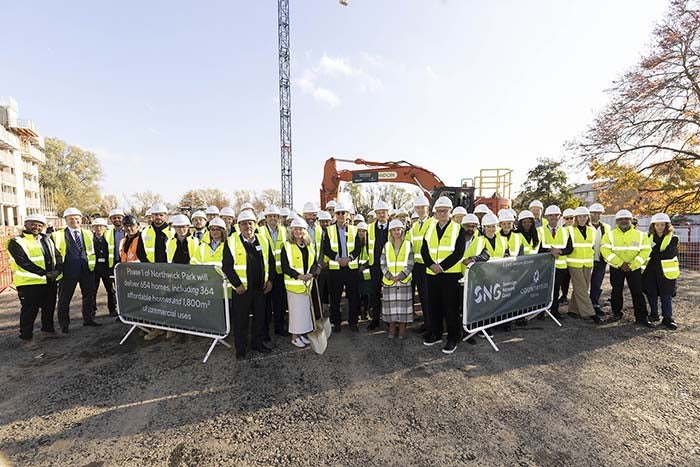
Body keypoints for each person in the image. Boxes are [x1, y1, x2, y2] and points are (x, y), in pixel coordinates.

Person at [222, 210, 274, 359]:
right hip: (242, 291)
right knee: (241, 320)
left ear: (255, 225)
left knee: (260, 319)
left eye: (250, 223)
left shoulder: (263, 240)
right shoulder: (231, 242)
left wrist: (270, 280)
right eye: (244, 224)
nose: (247, 227)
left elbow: (270, 261)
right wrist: (237, 284)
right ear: (239, 226)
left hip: (260, 289)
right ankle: (241, 349)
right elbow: (227, 266)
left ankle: (257, 344)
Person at [8, 214, 62, 349]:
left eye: (39, 225)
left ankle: (47, 330)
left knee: (48, 307)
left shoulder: (47, 239)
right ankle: (26, 338)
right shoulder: (16, 241)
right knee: (29, 311)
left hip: (49, 281)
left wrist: (58, 270)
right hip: (29, 283)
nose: (36, 227)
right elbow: (23, 261)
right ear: (26, 224)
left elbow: (57, 255)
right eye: (33, 224)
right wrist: (44, 273)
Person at [421, 196, 466, 354]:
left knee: (451, 307)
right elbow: (424, 250)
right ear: (435, 212)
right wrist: (431, 265)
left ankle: (453, 338)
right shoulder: (430, 228)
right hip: (432, 273)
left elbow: (459, 252)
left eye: (444, 211)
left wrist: (441, 266)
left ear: (450, 212)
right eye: (439, 211)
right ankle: (437, 334)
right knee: (434, 306)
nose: (441, 213)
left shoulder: (457, 228)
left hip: (450, 274)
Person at [600, 209, 652, 327]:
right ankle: (616, 313)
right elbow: (605, 250)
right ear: (617, 221)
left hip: (634, 268)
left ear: (631, 220)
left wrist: (632, 265)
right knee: (616, 291)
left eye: (626, 219)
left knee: (637, 292)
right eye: (621, 219)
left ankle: (641, 317)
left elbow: (646, 250)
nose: (624, 221)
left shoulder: (640, 235)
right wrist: (620, 263)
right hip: (617, 267)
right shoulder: (609, 235)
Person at [53, 208, 98, 333]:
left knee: (88, 296)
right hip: (68, 272)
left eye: (76, 218)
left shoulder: (88, 233)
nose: (74, 221)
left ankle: (88, 319)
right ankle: (64, 324)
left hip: (86, 270)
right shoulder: (58, 235)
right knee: (64, 299)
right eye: (71, 219)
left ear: (81, 219)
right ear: (66, 220)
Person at [322, 202, 364, 332]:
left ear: (348, 215)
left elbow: (358, 247)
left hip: (351, 268)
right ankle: (336, 322)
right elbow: (326, 249)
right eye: (338, 213)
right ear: (335, 215)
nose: (341, 215)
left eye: (343, 213)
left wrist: (349, 258)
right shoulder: (329, 230)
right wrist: (338, 259)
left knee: (353, 296)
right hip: (336, 269)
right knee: (335, 297)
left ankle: (353, 322)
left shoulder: (354, 229)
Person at [281, 217, 319, 348]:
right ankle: (294, 337)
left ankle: (301, 334)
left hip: (307, 285)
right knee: (296, 313)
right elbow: (285, 266)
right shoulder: (286, 246)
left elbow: (313, 263)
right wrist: (298, 276)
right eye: (295, 229)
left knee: (304, 312)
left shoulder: (309, 245)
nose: (298, 231)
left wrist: (311, 274)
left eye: (301, 229)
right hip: (294, 286)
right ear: (291, 231)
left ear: (305, 231)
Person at [139, 203, 174, 340]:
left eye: (161, 215)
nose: (158, 217)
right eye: (155, 215)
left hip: (169, 273)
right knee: (155, 301)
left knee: (171, 300)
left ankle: (171, 328)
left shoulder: (172, 231)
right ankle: (158, 328)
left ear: (166, 216)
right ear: (151, 216)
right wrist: (149, 269)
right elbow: (141, 252)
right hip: (152, 273)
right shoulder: (145, 232)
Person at [563, 207, 602, 324]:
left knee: (582, 288)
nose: (582, 219)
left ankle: (573, 310)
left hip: (588, 263)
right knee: (582, 289)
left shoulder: (592, 230)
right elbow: (567, 247)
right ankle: (590, 313)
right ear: (576, 218)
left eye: (584, 216)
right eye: (580, 216)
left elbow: (592, 247)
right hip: (574, 263)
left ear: (587, 217)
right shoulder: (569, 230)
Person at [642, 213, 679, 330]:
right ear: (653, 225)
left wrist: (653, 253)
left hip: (665, 272)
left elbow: (669, 254)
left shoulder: (673, 238)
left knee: (666, 294)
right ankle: (654, 314)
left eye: (663, 225)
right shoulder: (647, 237)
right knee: (651, 293)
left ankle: (668, 318)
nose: (660, 227)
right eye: (657, 225)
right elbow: (644, 252)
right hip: (650, 271)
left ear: (667, 225)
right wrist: (656, 253)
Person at [381, 219, 414, 339]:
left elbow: (410, 263)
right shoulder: (387, 245)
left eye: (398, 229)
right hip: (389, 282)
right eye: (394, 230)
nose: (396, 232)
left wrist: (401, 276)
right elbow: (382, 263)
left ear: (402, 231)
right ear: (390, 232)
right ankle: (391, 329)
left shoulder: (408, 244)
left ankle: (402, 331)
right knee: (391, 309)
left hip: (403, 281)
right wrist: (389, 275)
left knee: (403, 309)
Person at [407, 195, 433, 336]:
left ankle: (431, 327)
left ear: (427, 208)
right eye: (417, 207)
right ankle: (427, 323)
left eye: (422, 207)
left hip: (427, 266)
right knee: (422, 298)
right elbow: (408, 243)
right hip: (417, 266)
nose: (420, 210)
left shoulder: (432, 223)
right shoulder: (415, 226)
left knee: (428, 298)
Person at [537, 205, 568, 320]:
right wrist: (550, 250)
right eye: (551, 215)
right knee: (543, 290)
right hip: (545, 267)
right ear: (546, 217)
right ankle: (540, 312)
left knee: (555, 291)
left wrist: (559, 251)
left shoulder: (565, 231)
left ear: (560, 217)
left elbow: (570, 248)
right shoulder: (540, 231)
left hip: (560, 267)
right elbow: (538, 248)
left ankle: (554, 310)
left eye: (556, 215)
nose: (554, 217)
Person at [262, 205, 288, 338]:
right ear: (265, 218)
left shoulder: (285, 231)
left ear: (278, 218)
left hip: (280, 273)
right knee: (265, 306)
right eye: (270, 216)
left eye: (275, 216)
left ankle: (279, 327)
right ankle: (265, 331)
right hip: (266, 274)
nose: (273, 218)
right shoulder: (259, 231)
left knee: (280, 304)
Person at [364, 200, 390, 330]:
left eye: (383, 212)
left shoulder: (393, 227)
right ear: (376, 214)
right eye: (379, 212)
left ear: (387, 214)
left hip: (390, 266)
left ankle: (389, 319)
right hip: (375, 266)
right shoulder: (369, 228)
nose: (381, 215)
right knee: (375, 293)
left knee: (389, 293)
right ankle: (375, 319)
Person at [91, 218, 117, 317]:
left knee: (110, 290)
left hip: (107, 268)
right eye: (96, 226)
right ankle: (92, 310)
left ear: (105, 228)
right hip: (95, 268)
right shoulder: (90, 239)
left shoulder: (109, 239)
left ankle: (112, 309)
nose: (99, 228)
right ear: (93, 228)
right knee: (93, 290)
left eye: (101, 226)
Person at [588, 203, 610, 316]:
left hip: (600, 260)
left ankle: (594, 304)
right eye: (594, 213)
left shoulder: (606, 227)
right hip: (586, 259)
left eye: (598, 213)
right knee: (584, 283)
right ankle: (584, 305)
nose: (596, 215)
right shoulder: (585, 226)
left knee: (597, 283)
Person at [356, 222, 372, 319]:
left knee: (366, 295)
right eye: (359, 231)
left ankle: (365, 312)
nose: (361, 233)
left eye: (363, 231)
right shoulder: (354, 242)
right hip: (356, 273)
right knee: (357, 294)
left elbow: (372, 257)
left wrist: (365, 266)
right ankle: (357, 312)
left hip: (366, 274)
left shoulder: (369, 244)